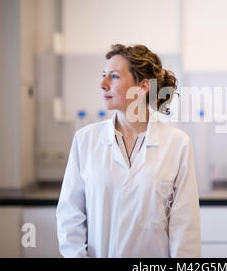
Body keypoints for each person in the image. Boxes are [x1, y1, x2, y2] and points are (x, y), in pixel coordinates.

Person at [56, 44, 201, 258]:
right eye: (104, 75)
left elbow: (185, 226)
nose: (102, 84)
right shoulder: (85, 140)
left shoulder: (177, 144)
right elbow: (70, 215)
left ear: (142, 87)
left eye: (113, 77)